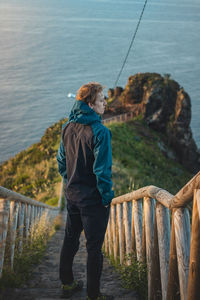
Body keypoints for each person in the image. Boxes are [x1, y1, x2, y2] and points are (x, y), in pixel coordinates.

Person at [57, 82, 114, 300]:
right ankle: (94, 294)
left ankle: (67, 283)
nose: (105, 103)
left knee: (70, 239)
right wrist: (106, 198)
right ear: (90, 104)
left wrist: (71, 180)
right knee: (94, 248)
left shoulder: (67, 127)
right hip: (93, 202)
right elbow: (102, 173)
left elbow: (61, 161)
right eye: (101, 100)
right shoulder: (101, 132)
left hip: (72, 197)